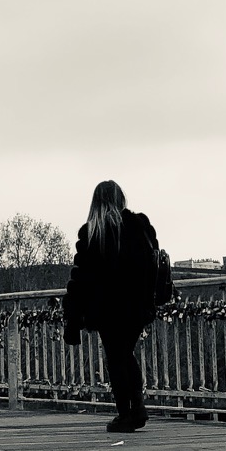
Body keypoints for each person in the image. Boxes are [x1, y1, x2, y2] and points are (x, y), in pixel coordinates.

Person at [63, 180, 165, 434]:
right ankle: (137, 408)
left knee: (116, 359)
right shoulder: (139, 225)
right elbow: (151, 264)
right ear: (121, 199)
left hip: (106, 310)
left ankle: (127, 413)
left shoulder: (92, 233)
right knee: (125, 355)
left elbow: (80, 280)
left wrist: (73, 319)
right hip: (136, 307)